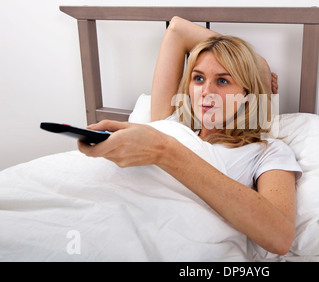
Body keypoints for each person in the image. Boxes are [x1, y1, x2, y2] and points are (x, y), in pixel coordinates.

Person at [78, 17, 301, 255]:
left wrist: (258, 66)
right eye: (198, 78)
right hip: (98, 216)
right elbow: (176, 29)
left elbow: (280, 237)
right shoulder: (170, 121)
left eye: (223, 80)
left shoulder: (267, 152)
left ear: (246, 93)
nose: (206, 91)